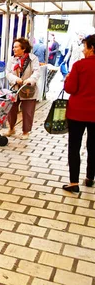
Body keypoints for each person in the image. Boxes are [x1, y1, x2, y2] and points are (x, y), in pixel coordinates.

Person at [62, 34, 95, 193]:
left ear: (92, 48)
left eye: (85, 46)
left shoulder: (79, 66)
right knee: (93, 146)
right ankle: (90, 178)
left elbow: (70, 89)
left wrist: (67, 79)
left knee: (74, 146)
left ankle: (74, 183)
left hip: (77, 113)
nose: (83, 50)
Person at [5, 38, 41, 139]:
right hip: (15, 88)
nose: (13, 49)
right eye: (13, 47)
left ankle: (26, 132)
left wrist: (30, 80)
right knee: (11, 109)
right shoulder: (12, 59)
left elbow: (37, 72)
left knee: (28, 111)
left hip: (28, 89)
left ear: (23, 49)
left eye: (16, 47)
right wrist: (15, 79)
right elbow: (7, 72)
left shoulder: (32, 58)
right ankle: (11, 128)